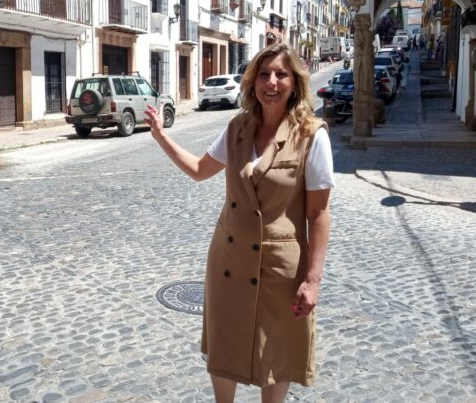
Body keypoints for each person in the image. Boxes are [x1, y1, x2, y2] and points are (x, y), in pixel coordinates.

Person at [144, 43, 335, 403]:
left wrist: (313, 279)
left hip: (280, 267)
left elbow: (319, 214)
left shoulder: (312, 135)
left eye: (281, 74)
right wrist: (160, 135)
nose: (272, 82)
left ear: (295, 82)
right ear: (252, 82)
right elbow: (200, 170)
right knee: (225, 345)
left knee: (275, 353)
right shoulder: (237, 128)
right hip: (229, 261)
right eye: (263, 74)